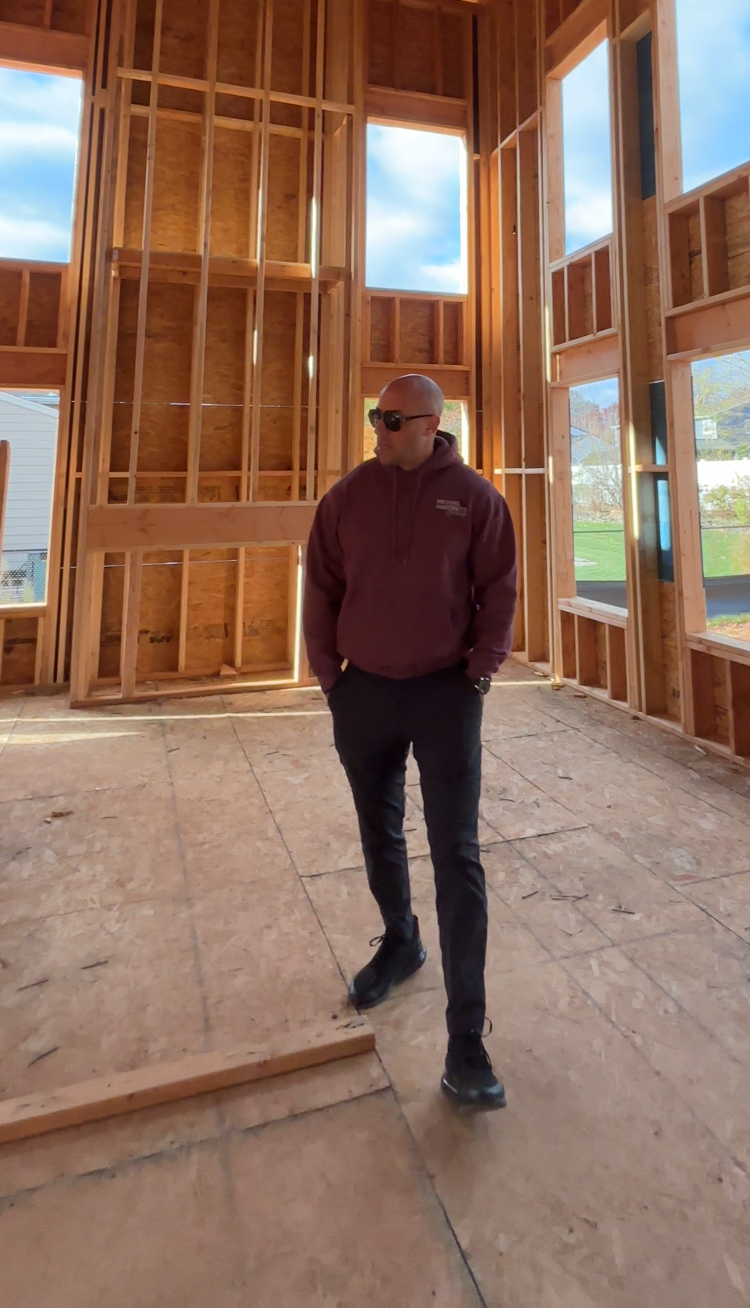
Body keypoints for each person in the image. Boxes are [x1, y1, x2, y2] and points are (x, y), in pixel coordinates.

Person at [304, 373, 517, 1109]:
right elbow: (321, 587)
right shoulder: (346, 499)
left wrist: (479, 675)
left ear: (430, 425)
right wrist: (332, 677)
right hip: (363, 691)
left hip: (444, 695)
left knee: (457, 855)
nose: (377, 429)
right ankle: (401, 940)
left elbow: (501, 591)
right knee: (378, 829)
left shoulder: (477, 499)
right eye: (374, 417)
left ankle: (467, 1041)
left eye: (390, 420)